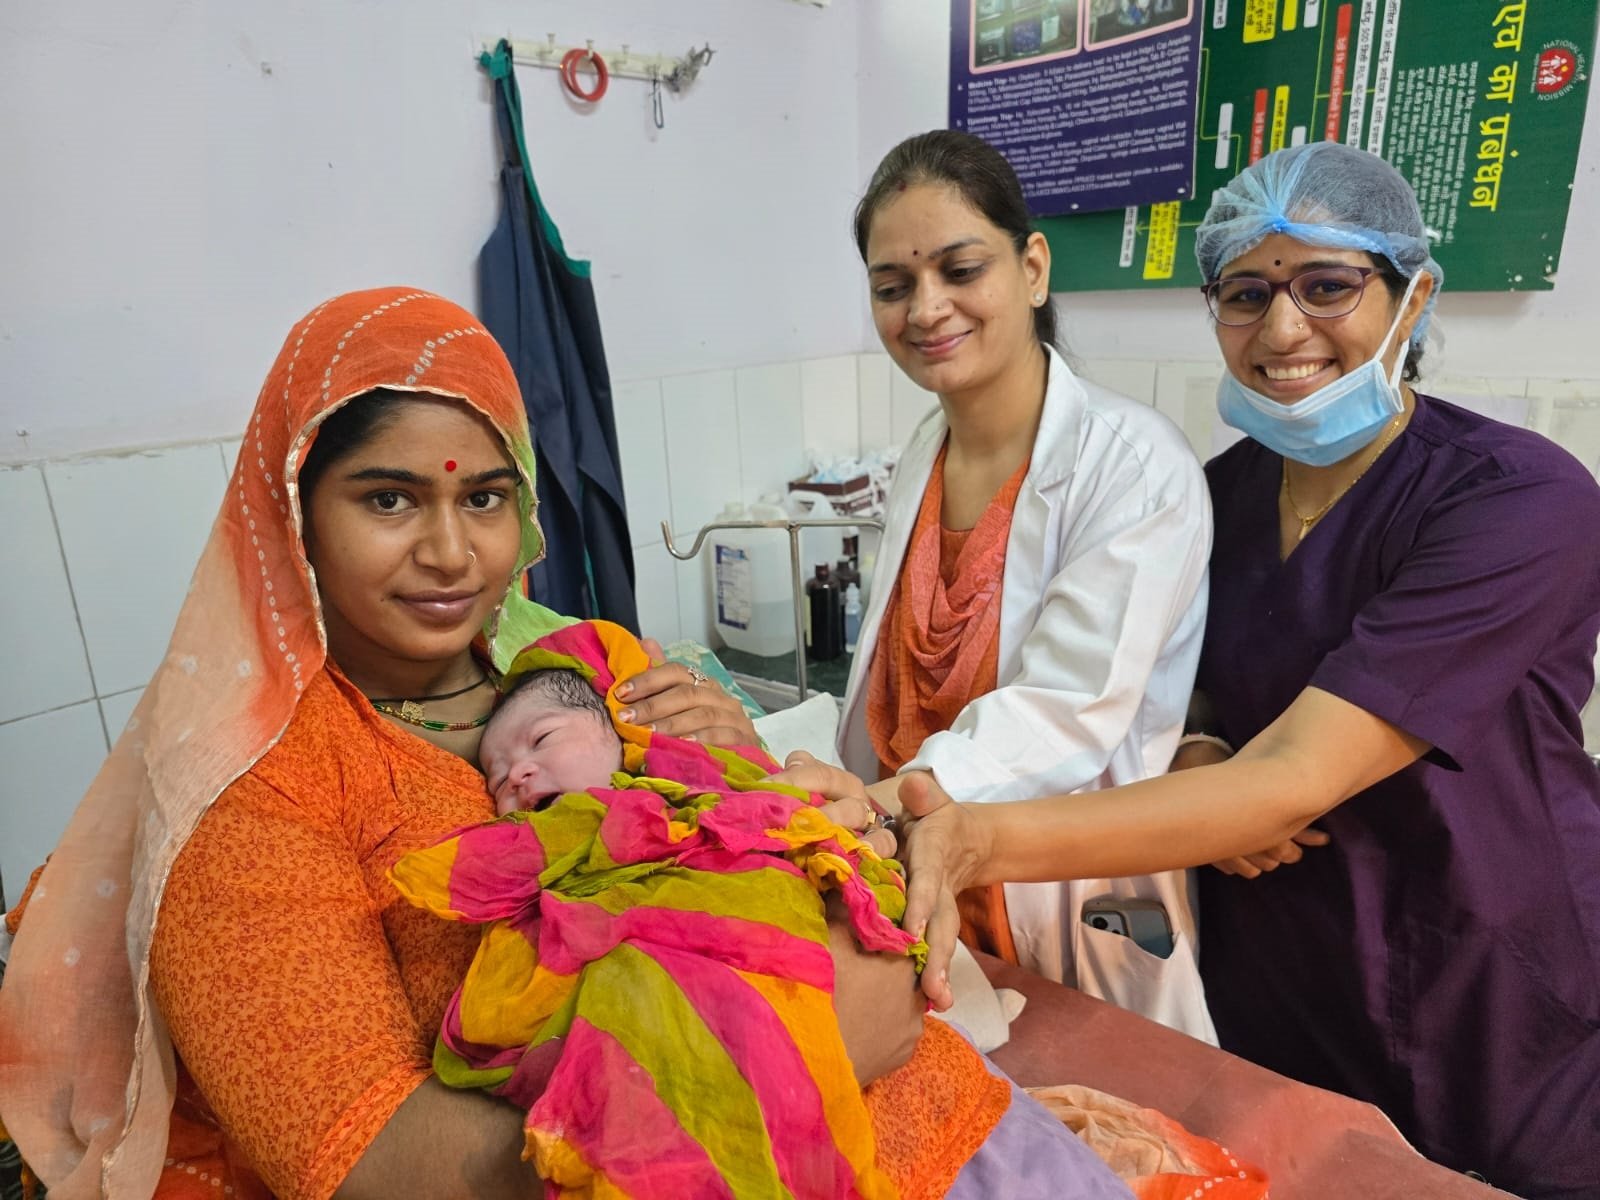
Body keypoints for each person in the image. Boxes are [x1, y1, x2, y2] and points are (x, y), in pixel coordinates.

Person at [0, 289, 919, 1200]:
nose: (451, 552)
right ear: (295, 518)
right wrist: (808, 1043)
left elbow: (780, 845)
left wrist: (777, 780)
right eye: (390, 499)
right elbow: (369, 1160)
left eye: (483, 497)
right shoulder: (253, 793)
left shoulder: (582, 664)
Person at [893, 143, 1600, 1198]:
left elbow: (1295, 775)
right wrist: (1195, 742)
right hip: (1278, 963)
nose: (1281, 331)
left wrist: (967, 843)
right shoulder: (1213, 497)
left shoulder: (1516, 501)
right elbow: (1200, 684)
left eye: (1328, 286)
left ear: (1412, 293)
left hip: (1485, 971)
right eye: (1244, 293)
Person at [396, 618, 1132, 1198]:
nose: (515, 775)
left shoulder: (681, 747)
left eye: (542, 743)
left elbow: (814, 822)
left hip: (934, 1077)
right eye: (495, 777)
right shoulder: (535, 832)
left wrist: (823, 813)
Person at [839, 130, 1215, 1039]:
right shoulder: (921, 455)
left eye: (961, 269)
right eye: (894, 286)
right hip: (914, 881)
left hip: (1054, 899)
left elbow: (1064, 713)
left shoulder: (1133, 468)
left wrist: (873, 808)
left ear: (1033, 268)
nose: (928, 308)